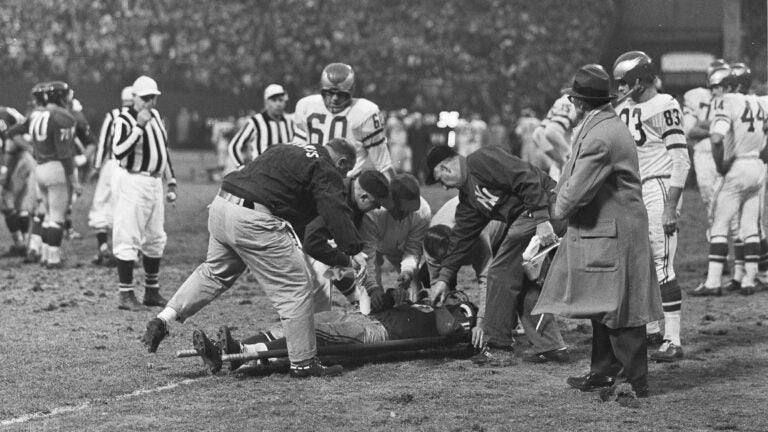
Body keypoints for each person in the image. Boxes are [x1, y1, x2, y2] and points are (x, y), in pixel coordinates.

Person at [142, 138, 365, 378]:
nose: (343, 177)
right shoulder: (324, 166)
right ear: (342, 162)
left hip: (222, 205)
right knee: (296, 287)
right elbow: (334, 207)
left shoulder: (288, 147)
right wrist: (353, 249)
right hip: (253, 218)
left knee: (213, 273)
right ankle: (303, 363)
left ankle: (164, 319)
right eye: (345, 172)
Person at [533, 63, 662, 398]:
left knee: (623, 308)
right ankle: (604, 373)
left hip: (617, 232)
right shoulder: (601, 123)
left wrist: (554, 206)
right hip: (610, 229)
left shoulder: (600, 135)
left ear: (578, 101)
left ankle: (634, 381)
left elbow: (571, 196)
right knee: (604, 303)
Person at [426, 143, 568, 366]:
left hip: (545, 205)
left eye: (441, 180)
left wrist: (542, 219)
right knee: (522, 283)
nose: (444, 188)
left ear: (446, 168)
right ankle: (550, 346)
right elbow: (460, 238)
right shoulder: (468, 199)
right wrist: (443, 279)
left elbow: (526, 177)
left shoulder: (480, 160)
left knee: (500, 272)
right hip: (531, 216)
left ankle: (498, 347)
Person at [613, 51, 690, 362]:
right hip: (633, 190)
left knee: (661, 264)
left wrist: (670, 207)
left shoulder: (665, 104)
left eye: (624, 82)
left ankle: (673, 339)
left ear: (639, 81)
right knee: (638, 262)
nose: (620, 88)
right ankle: (653, 328)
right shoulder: (624, 107)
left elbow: (681, 160)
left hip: (659, 186)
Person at [191, 291, 479, 375]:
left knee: (310, 331)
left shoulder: (456, 312)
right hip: (362, 316)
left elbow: (451, 331)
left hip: (376, 332)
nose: (453, 295)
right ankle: (231, 348)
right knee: (296, 320)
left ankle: (244, 354)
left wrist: (445, 305)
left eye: (457, 296)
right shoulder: (425, 301)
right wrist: (392, 296)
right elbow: (379, 304)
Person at [693, 63, 768, 296]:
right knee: (750, 225)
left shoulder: (728, 101)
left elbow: (716, 138)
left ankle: (713, 281)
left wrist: (720, 165)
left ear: (733, 85)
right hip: (757, 166)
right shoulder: (761, 101)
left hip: (737, 166)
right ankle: (748, 279)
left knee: (719, 223)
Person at [111, 76, 178, 310]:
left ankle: (152, 291)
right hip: (134, 180)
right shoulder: (124, 119)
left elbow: (163, 150)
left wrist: (171, 179)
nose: (150, 102)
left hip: (155, 182)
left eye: (153, 97)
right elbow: (118, 151)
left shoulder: (157, 116)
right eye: (146, 97)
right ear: (135, 98)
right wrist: (138, 127)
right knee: (128, 236)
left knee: (156, 237)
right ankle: (126, 294)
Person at [303, 169, 390, 312]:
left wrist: (371, 286)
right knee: (323, 274)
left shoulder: (354, 201)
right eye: (376, 204)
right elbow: (311, 243)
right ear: (363, 197)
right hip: (289, 237)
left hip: (312, 240)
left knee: (345, 258)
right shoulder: (335, 199)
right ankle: (316, 320)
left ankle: (355, 298)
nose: (377, 208)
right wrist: (348, 261)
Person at [293, 63, 394, 179]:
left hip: (346, 182)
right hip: (312, 179)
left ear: (351, 91)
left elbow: (383, 164)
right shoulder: (306, 106)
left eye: (341, 94)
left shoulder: (365, 112)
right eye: (330, 93)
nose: (334, 98)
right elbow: (297, 152)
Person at [27, 81, 81, 268]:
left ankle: (44, 254)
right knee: (57, 217)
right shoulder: (62, 116)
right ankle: (54, 258)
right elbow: (65, 154)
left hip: (40, 168)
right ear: (60, 96)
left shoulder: (37, 114)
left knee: (47, 215)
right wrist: (74, 180)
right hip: (56, 169)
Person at [358, 173, 431, 302]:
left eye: (411, 212)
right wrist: (373, 288)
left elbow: (413, 248)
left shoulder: (423, 212)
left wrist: (407, 271)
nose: (406, 216)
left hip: (401, 245)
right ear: (390, 201)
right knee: (373, 295)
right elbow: (367, 254)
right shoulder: (373, 213)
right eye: (402, 211)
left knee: (414, 288)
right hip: (376, 246)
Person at [419, 196, 506, 295]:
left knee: (500, 279)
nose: (444, 265)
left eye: (447, 259)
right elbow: (435, 280)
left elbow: (485, 278)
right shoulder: (430, 243)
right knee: (426, 276)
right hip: (463, 212)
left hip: (501, 221)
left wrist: (484, 306)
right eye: (440, 261)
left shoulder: (475, 237)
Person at [87, 86, 133, 266]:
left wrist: (97, 166)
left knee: (102, 206)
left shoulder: (113, 115)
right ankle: (130, 252)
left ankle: (103, 247)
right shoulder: (146, 116)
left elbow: (103, 143)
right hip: (134, 169)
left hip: (112, 165)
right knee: (129, 209)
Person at [227, 84, 294, 170]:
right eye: (274, 100)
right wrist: (241, 167)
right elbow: (234, 146)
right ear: (266, 102)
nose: (278, 104)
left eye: (281, 100)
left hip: (285, 173)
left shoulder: (289, 122)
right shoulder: (256, 121)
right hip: (262, 173)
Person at [0, 104, 29, 255]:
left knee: (6, 202)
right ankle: (26, 243)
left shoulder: (3, 116)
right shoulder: (8, 111)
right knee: (20, 205)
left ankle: (21, 244)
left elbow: (10, 143)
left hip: (16, 160)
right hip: (27, 159)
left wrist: (5, 170)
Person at [531, 94, 578, 180]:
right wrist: (567, 154)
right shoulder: (570, 100)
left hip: (562, 170)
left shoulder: (562, 100)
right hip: (571, 169)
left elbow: (538, 134)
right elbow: (550, 131)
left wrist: (560, 159)